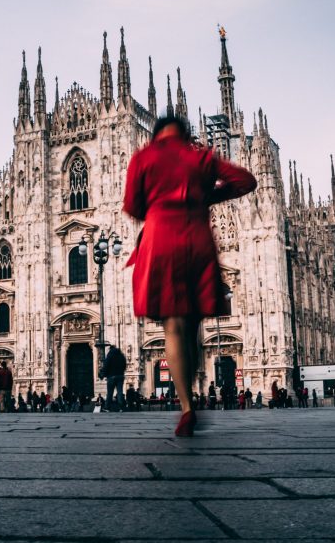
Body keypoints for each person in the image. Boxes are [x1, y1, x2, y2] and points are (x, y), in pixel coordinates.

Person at [123, 115, 257, 436]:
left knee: (173, 326)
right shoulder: (201, 156)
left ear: (155, 135)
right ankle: (196, 386)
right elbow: (246, 180)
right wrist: (205, 196)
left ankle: (186, 407)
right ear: (185, 134)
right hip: (196, 240)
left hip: (160, 241)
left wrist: (155, 209)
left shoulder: (144, 157)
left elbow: (131, 205)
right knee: (194, 321)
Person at [103, 345, 127, 412]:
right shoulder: (121, 356)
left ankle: (107, 407)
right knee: (120, 392)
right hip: (120, 376)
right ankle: (121, 408)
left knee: (110, 393)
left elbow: (106, 365)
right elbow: (124, 365)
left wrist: (105, 374)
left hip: (111, 376)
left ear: (110, 349)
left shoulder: (110, 355)